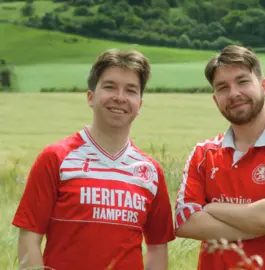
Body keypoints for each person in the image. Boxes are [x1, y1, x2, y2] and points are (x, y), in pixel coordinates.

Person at [12, 48, 175, 270]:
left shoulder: (150, 172)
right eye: (110, 87)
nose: (120, 97)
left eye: (130, 90)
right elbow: (29, 236)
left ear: (139, 105)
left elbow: (158, 248)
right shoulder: (56, 158)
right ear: (91, 97)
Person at [174, 45, 265, 270]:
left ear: (264, 86)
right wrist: (258, 225)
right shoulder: (203, 154)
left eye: (242, 81)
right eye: (223, 87)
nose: (233, 93)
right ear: (215, 99)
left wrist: (211, 208)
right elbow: (184, 222)